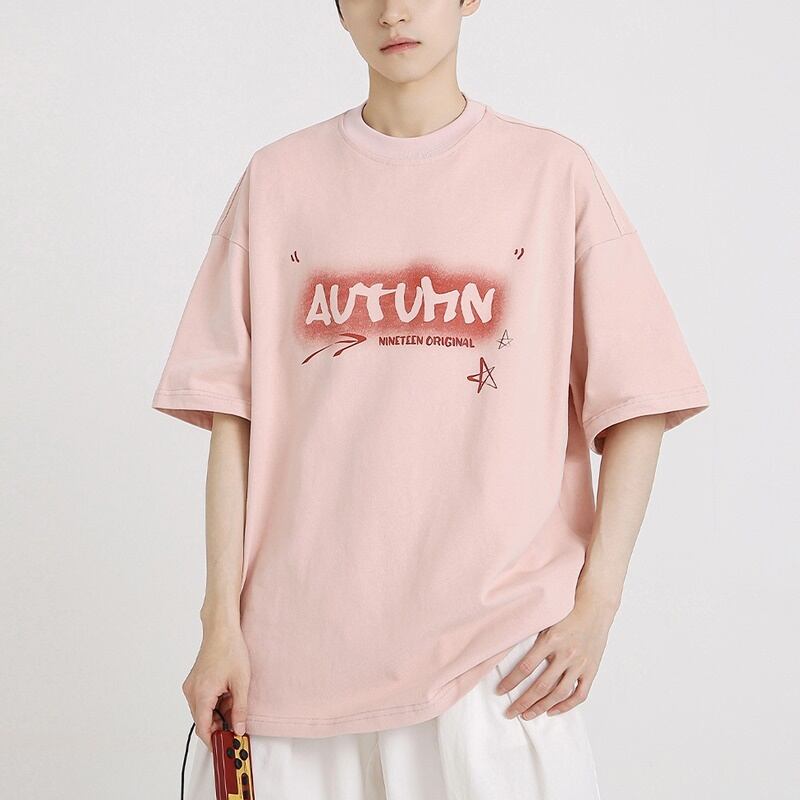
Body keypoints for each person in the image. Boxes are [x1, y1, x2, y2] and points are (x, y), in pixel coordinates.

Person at [152, 1, 710, 797]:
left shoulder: (552, 175)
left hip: (496, 664)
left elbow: (638, 401)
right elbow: (231, 421)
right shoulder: (278, 181)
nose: (394, 11)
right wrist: (220, 626)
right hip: (296, 661)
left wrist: (597, 606)